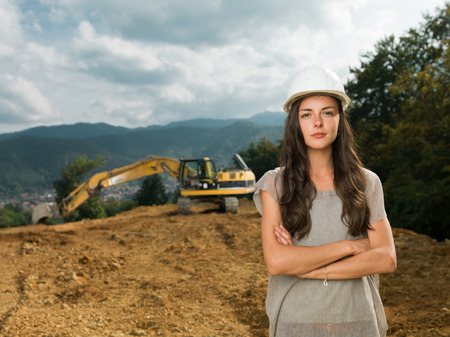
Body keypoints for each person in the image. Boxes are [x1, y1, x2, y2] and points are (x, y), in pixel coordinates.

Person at [253, 65, 397, 337]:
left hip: (358, 322)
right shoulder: (275, 184)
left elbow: (386, 258)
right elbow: (278, 262)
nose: (317, 123)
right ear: (296, 123)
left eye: (327, 113)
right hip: (295, 323)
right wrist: (353, 247)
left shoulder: (367, 183)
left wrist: (310, 268)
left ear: (340, 120)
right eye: (307, 114)